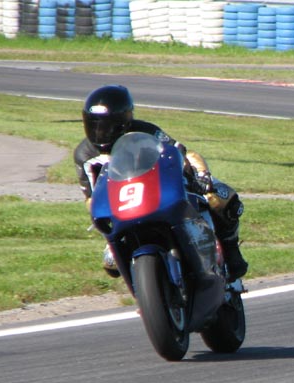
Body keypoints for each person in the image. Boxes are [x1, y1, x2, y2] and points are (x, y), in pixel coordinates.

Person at [74, 85, 248, 281]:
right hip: (123, 205)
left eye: (108, 125)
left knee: (221, 198)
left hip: (158, 189)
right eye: (94, 125)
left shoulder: (145, 131)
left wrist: (201, 175)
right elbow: (92, 197)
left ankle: (231, 250)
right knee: (111, 263)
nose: (100, 132)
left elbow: (179, 152)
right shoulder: (83, 155)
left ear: (124, 120)